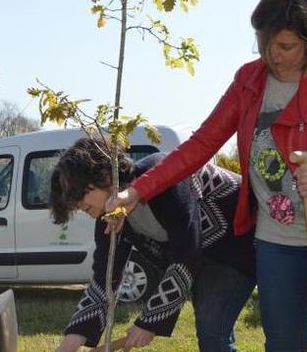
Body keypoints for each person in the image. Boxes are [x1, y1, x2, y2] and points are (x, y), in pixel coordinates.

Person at [107, 0, 307, 352]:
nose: (274, 55)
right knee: (283, 343)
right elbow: (200, 146)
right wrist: (136, 191)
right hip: (278, 239)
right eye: (265, 43)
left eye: (286, 45)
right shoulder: (249, 81)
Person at [51, 138, 256, 352]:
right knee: (212, 331)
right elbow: (105, 277)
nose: (75, 204)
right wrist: (70, 343)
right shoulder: (111, 217)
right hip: (205, 255)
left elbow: (187, 251)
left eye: (77, 194)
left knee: (212, 328)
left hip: (239, 242)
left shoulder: (161, 175)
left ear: (104, 174)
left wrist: (149, 322)